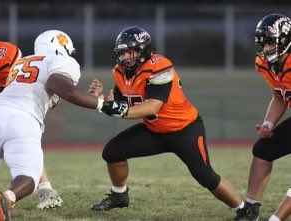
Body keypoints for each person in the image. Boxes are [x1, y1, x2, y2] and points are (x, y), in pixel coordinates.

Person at [89, 26, 245, 218]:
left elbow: (151, 107)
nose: (126, 57)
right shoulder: (120, 72)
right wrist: (105, 101)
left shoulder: (159, 66)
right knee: (113, 152)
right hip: (154, 130)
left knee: (205, 176)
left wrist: (107, 106)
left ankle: (244, 209)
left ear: (143, 50)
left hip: (184, 129)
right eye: (122, 52)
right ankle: (119, 196)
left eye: (131, 51)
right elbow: (123, 105)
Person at [0, 29, 128, 221]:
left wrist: (90, 98)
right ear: (61, 47)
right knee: (28, 178)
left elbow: (47, 96)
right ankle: (7, 197)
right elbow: (57, 84)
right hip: (23, 120)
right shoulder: (62, 61)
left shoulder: (21, 63)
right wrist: (100, 104)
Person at [0, 36, 64, 210]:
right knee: (26, 149)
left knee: (25, 144)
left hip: (20, 101)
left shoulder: (4, 52)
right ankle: (44, 191)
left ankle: (46, 190)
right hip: (4, 106)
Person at [232, 13, 291, 221]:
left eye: (269, 42)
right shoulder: (266, 63)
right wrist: (268, 122)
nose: (265, 48)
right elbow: (280, 96)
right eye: (262, 43)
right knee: (262, 150)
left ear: (284, 40)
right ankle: (251, 208)